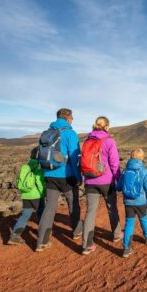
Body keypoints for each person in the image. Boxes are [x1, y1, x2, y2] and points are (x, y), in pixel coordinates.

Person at [36, 108, 83, 252]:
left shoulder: (47, 133)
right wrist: (78, 176)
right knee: (73, 203)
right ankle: (76, 232)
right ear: (68, 118)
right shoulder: (70, 133)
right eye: (72, 117)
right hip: (67, 176)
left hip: (49, 174)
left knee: (49, 207)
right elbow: (75, 157)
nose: (72, 120)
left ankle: (41, 242)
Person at [80, 116, 123, 255]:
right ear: (107, 126)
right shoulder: (109, 141)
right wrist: (119, 181)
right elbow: (114, 164)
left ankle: (87, 244)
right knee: (112, 208)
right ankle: (116, 234)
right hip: (106, 181)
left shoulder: (87, 140)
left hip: (90, 181)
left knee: (90, 212)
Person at [116, 148, 147, 258]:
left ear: (131, 156)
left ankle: (126, 248)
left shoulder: (125, 171)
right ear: (141, 157)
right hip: (141, 202)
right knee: (143, 219)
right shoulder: (144, 171)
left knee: (129, 223)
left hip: (128, 202)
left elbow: (119, 187)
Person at [8, 147, 45, 245]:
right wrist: (44, 193)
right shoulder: (38, 167)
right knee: (42, 214)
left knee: (25, 215)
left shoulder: (25, 166)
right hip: (37, 196)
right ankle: (42, 235)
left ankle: (14, 236)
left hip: (26, 195)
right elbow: (39, 183)